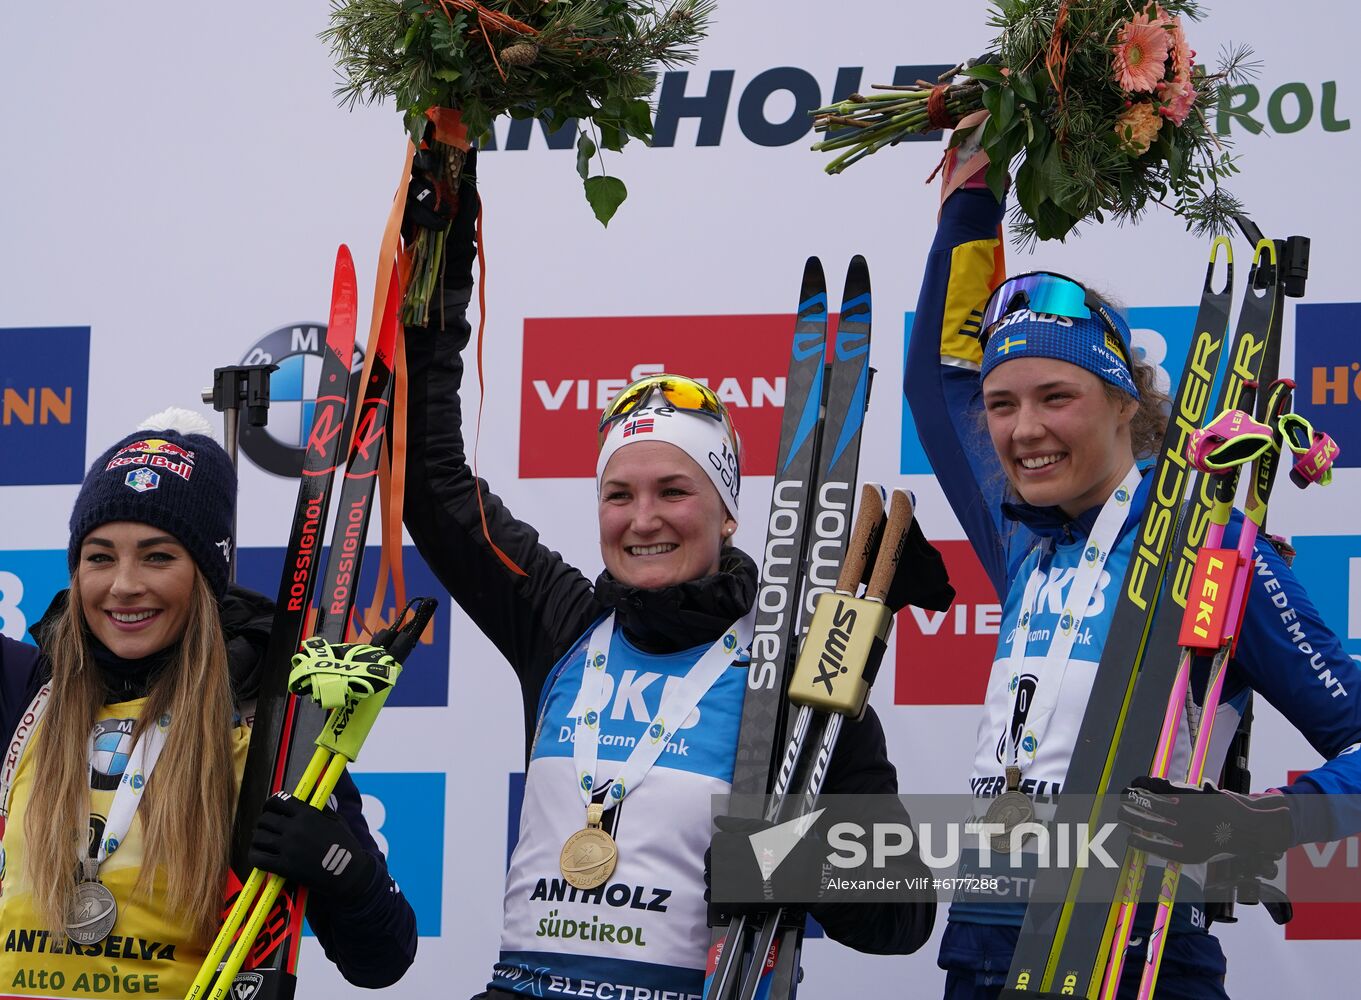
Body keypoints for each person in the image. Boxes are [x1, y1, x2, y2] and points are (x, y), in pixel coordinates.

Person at [402, 149, 939, 1000]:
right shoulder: (563, 623)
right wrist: (437, 284)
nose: (641, 518)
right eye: (618, 493)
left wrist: (792, 852)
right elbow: (432, 489)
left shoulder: (802, 666)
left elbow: (905, 920)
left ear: (726, 511)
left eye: (672, 490)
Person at [904, 146, 1361, 999]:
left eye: (1055, 397)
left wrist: (1267, 821)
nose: (1021, 429)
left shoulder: (1211, 546)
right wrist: (971, 188)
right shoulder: (1019, 531)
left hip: (1140, 951)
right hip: (986, 946)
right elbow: (939, 381)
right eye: (1002, 405)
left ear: (1125, 400)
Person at [0, 411, 416, 998]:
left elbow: (383, 958)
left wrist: (339, 867)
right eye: (99, 556)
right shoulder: (26, 688)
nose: (123, 584)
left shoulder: (266, 722)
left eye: (157, 556)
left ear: (205, 574)